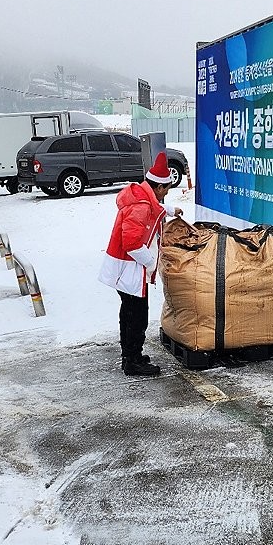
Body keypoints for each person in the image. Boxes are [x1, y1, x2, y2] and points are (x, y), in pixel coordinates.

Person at [99, 151, 183, 376]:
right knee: (136, 317)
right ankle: (133, 361)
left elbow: (152, 207)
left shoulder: (141, 196)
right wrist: (152, 263)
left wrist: (170, 210)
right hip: (130, 270)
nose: (165, 195)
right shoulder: (142, 206)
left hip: (125, 269)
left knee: (128, 313)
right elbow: (132, 244)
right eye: (165, 190)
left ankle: (130, 355)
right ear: (159, 187)